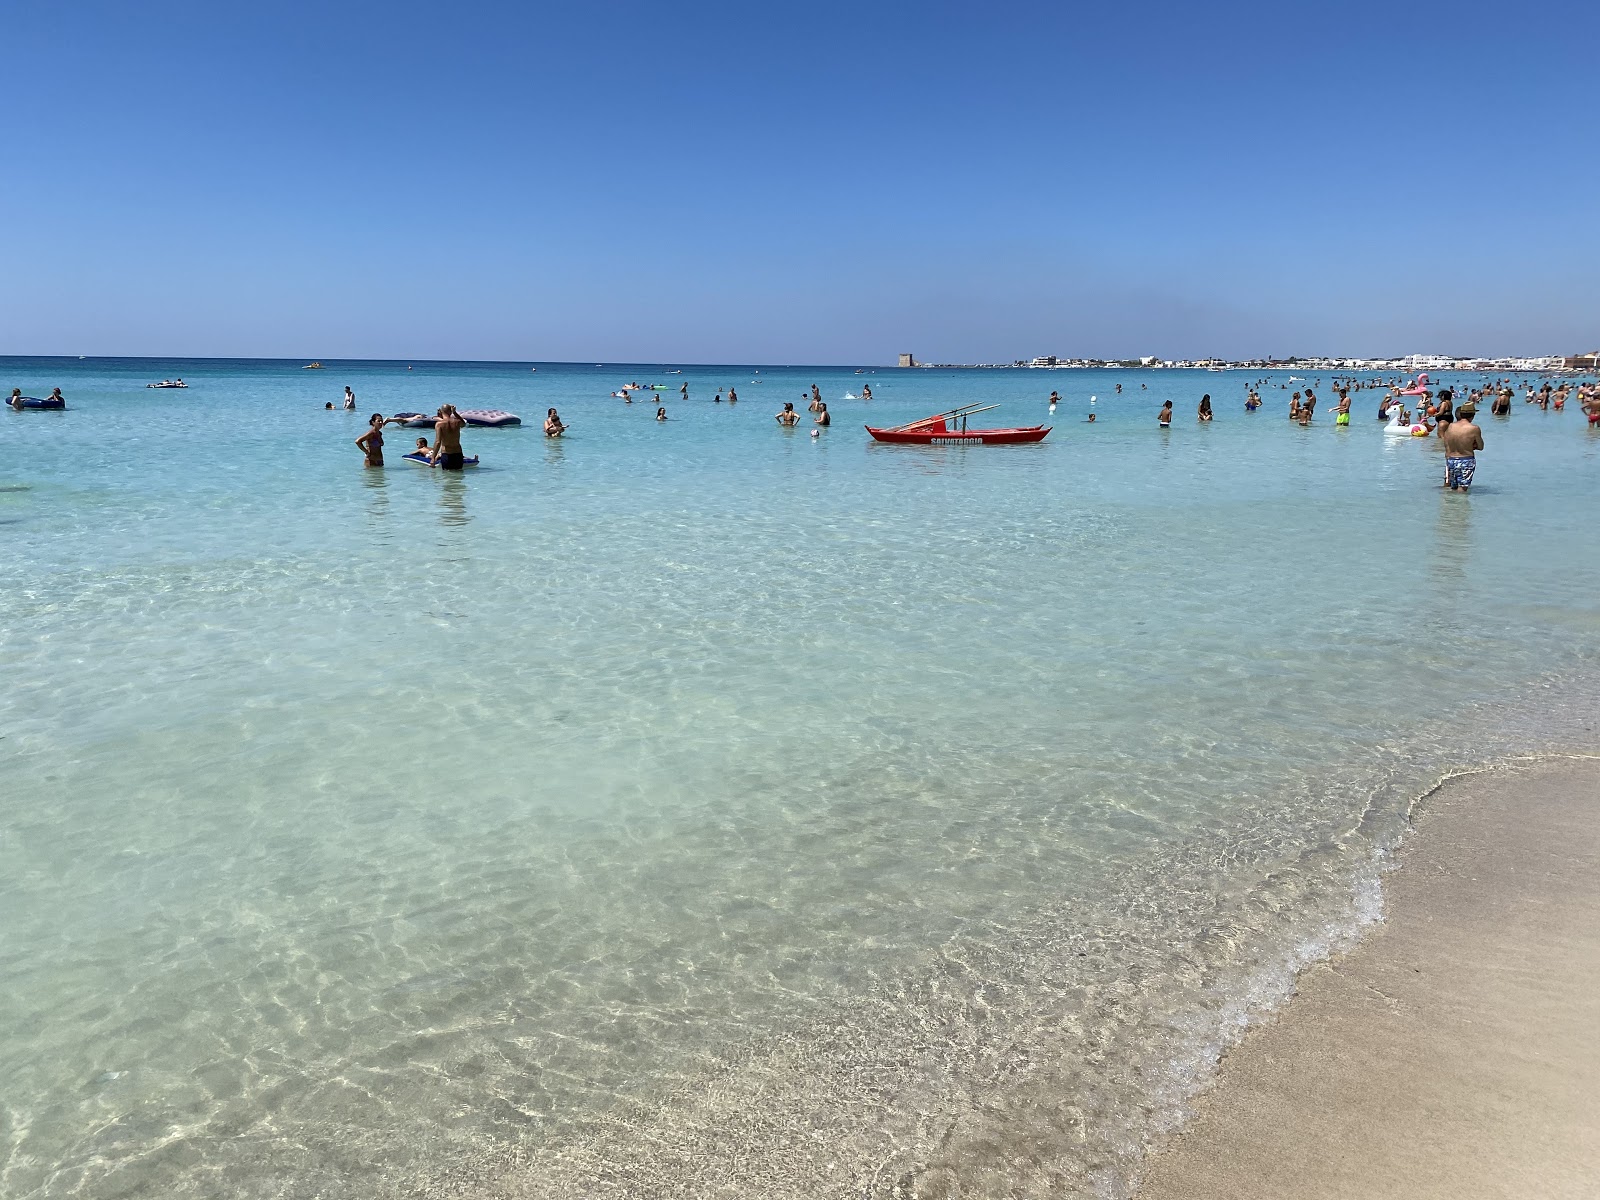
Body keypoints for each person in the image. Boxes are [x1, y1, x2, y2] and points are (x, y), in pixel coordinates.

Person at [1441, 405, 1483, 492]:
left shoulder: (1451, 426)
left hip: (1451, 460)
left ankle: (1452, 505)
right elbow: (1480, 446)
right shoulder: (1474, 428)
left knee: (1453, 488)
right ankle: (1461, 505)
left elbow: (1447, 443)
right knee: (1462, 489)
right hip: (1466, 460)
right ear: (1473, 415)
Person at [431, 404, 467, 469]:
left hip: (446, 454)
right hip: (458, 453)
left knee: (447, 477)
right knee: (458, 476)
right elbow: (463, 424)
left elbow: (438, 442)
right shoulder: (457, 422)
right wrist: (455, 413)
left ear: (441, 411)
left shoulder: (439, 424)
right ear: (451, 411)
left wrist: (433, 458)